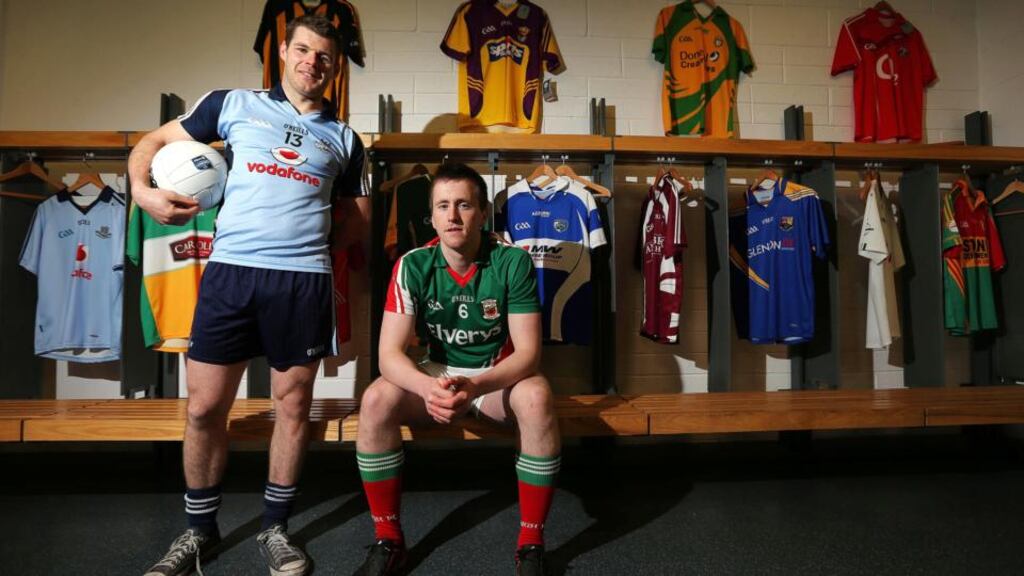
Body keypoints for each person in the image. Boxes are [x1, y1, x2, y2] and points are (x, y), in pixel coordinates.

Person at [129, 15, 369, 576]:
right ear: (283, 52)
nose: (313, 62)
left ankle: (275, 528)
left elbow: (357, 224)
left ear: (335, 68)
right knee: (205, 409)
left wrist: (300, 237)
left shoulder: (346, 138)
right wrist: (143, 193)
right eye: (304, 50)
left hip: (302, 281)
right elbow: (154, 140)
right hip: (231, 275)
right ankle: (197, 532)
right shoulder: (231, 104)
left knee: (292, 407)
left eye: (325, 57)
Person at [354, 163, 561, 576]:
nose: (452, 216)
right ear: (431, 216)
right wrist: (429, 388)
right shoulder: (413, 265)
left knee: (537, 395)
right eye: (443, 206)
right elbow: (389, 355)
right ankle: (389, 540)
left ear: (482, 213)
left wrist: (476, 383)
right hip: (435, 374)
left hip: (492, 378)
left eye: (464, 205)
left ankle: (531, 545)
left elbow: (528, 354)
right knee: (376, 398)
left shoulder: (512, 261)